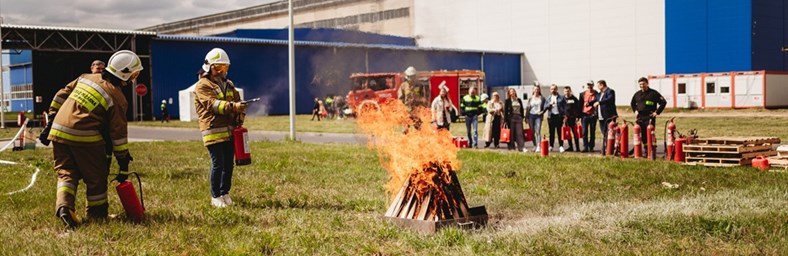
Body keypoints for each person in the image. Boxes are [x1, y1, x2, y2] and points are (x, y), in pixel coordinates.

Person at [46, 50, 141, 228]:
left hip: (58, 132)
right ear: (125, 74)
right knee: (96, 177)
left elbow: (61, 94)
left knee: (66, 173)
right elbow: (118, 134)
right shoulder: (117, 97)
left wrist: (51, 119)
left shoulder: (85, 78)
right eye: (134, 75)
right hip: (84, 136)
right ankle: (97, 216)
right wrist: (123, 161)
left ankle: (65, 208)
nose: (133, 79)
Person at [194, 48, 247, 208]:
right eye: (218, 67)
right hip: (213, 131)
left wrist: (240, 112)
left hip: (229, 131)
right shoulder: (202, 85)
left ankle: (225, 193)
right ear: (208, 67)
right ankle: (215, 196)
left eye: (224, 67)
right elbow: (213, 105)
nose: (221, 71)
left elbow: (237, 101)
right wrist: (233, 107)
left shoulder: (229, 85)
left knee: (228, 165)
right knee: (218, 164)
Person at [630, 77, 667, 155]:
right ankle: (646, 149)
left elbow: (663, 102)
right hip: (640, 117)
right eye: (640, 84)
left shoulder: (653, 93)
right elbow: (632, 103)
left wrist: (657, 112)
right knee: (642, 134)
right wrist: (635, 111)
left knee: (650, 134)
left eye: (643, 84)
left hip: (649, 117)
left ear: (647, 83)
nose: (642, 86)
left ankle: (652, 149)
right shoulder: (637, 94)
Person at [588, 80, 617, 155]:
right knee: (604, 133)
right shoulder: (599, 94)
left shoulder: (610, 91)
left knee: (609, 133)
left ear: (602, 85)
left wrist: (599, 103)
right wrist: (589, 103)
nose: (597, 87)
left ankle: (609, 148)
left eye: (598, 85)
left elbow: (609, 99)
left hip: (609, 116)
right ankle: (606, 148)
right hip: (601, 117)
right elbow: (595, 100)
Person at [525, 85, 549, 152]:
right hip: (531, 116)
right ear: (533, 90)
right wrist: (526, 117)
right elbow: (527, 108)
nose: (536, 90)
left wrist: (542, 112)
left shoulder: (542, 98)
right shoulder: (530, 98)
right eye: (535, 89)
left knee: (538, 131)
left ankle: (538, 146)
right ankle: (534, 145)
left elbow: (546, 106)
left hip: (538, 116)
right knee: (532, 132)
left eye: (537, 89)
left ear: (539, 90)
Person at [546, 84, 567, 152]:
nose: (553, 90)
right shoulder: (548, 98)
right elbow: (545, 107)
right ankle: (551, 146)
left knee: (559, 132)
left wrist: (565, 115)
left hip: (559, 116)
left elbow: (565, 107)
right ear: (550, 90)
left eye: (554, 89)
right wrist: (549, 105)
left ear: (557, 89)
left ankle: (561, 146)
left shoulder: (561, 98)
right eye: (552, 89)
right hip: (551, 116)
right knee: (551, 132)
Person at [579, 81, 598, 152]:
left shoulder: (596, 94)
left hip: (593, 115)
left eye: (590, 85)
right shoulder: (582, 94)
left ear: (593, 85)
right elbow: (580, 105)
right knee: (584, 132)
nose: (589, 86)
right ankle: (585, 147)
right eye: (588, 85)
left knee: (592, 132)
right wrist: (579, 116)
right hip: (584, 115)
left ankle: (591, 147)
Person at [563, 86, 582, 152]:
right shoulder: (562, 99)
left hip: (573, 119)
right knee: (568, 133)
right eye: (565, 91)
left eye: (568, 91)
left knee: (575, 133)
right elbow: (561, 108)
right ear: (564, 92)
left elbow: (578, 108)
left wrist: (577, 117)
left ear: (570, 91)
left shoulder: (574, 99)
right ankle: (570, 147)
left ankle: (577, 147)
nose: (567, 92)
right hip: (566, 119)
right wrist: (563, 116)